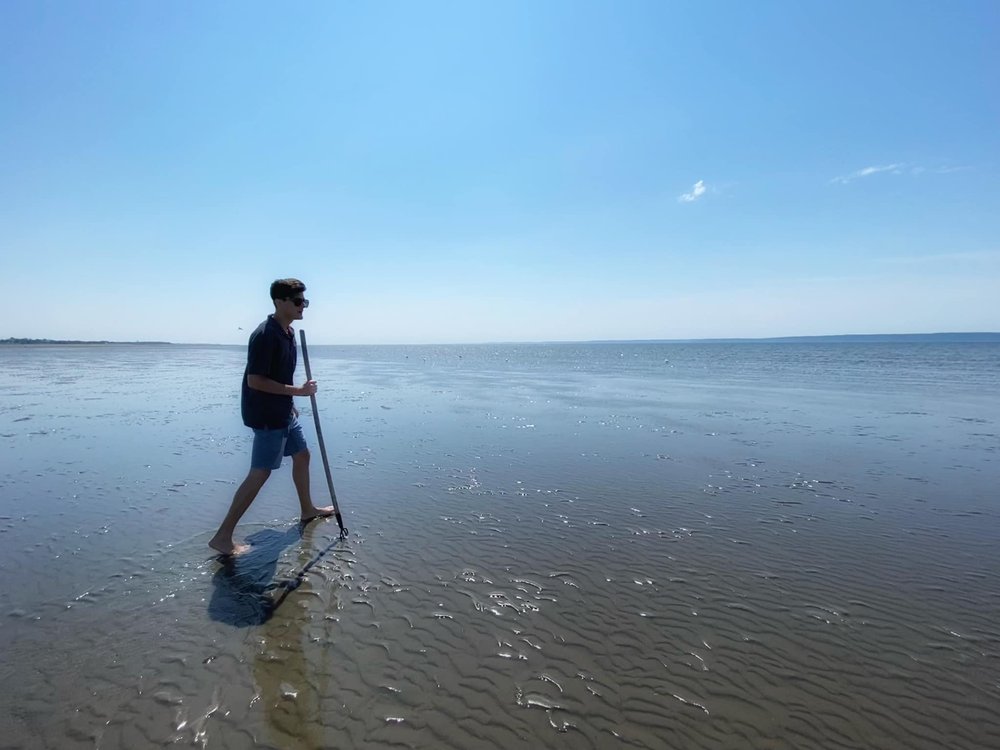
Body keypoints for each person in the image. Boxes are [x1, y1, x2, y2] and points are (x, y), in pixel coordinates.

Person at [209, 278, 335, 555]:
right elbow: (255, 380)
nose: (304, 307)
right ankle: (222, 536)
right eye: (299, 302)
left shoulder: (287, 332)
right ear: (280, 302)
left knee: (302, 455)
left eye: (306, 302)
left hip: (282, 410)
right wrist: (298, 392)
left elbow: (278, 376)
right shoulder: (266, 334)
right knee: (260, 472)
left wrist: (290, 399)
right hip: (266, 414)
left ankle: (307, 510)